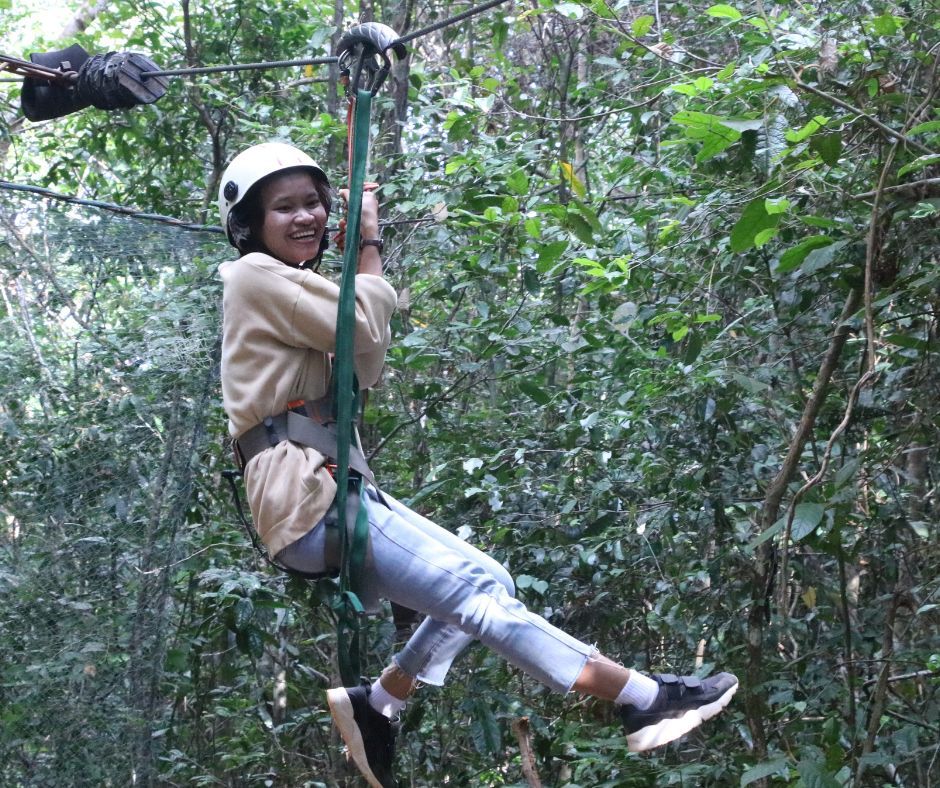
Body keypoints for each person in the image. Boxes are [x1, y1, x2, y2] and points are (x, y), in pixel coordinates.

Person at [217, 142, 738, 788]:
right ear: (250, 226)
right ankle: (638, 697)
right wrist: (367, 249)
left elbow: (365, 359)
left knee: (490, 579)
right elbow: (363, 325)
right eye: (285, 208)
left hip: (329, 490)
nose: (306, 217)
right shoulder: (252, 277)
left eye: (314, 204)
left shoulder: (297, 288)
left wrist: (367, 248)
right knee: (478, 597)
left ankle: (378, 704)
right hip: (306, 497)